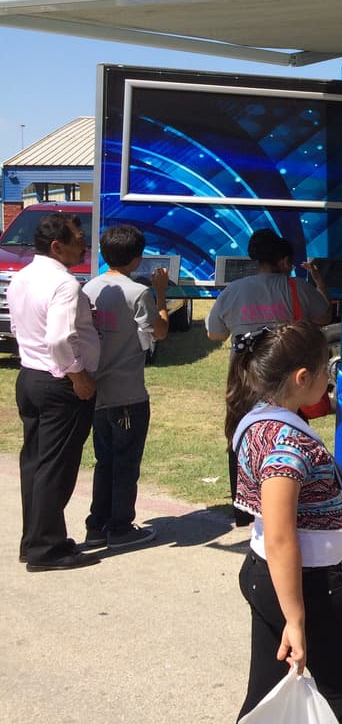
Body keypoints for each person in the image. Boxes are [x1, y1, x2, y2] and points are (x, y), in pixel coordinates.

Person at [227, 320, 342, 724]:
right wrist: (296, 619)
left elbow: (304, 499)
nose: (329, 381)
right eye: (326, 370)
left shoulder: (263, 416)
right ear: (301, 377)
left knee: (265, 697)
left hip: (275, 577)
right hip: (308, 586)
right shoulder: (286, 443)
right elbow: (281, 537)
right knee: (340, 697)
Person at [207, 228, 331, 525]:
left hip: (243, 378)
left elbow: (214, 332)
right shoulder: (296, 289)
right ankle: (287, 501)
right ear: (284, 260)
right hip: (287, 380)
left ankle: (245, 508)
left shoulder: (233, 290)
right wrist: (319, 283)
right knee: (287, 438)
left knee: (241, 436)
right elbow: (325, 316)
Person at [11, 211, 100, 571]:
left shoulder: (23, 276)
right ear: (57, 246)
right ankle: (46, 550)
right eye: (79, 239)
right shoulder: (64, 284)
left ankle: (34, 540)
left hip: (31, 376)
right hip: (58, 382)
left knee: (35, 463)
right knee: (55, 467)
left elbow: (19, 325)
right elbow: (61, 337)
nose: (85, 245)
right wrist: (77, 375)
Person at [80, 224, 170, 550]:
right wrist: (161, 292)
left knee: (104, 461)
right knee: (126, 462)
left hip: (97, 391)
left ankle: (97, 524)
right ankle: (120, 527)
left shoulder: (90, 288)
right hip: (128, 394)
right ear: (137, 259)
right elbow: (159, 332)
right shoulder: (138, 293)